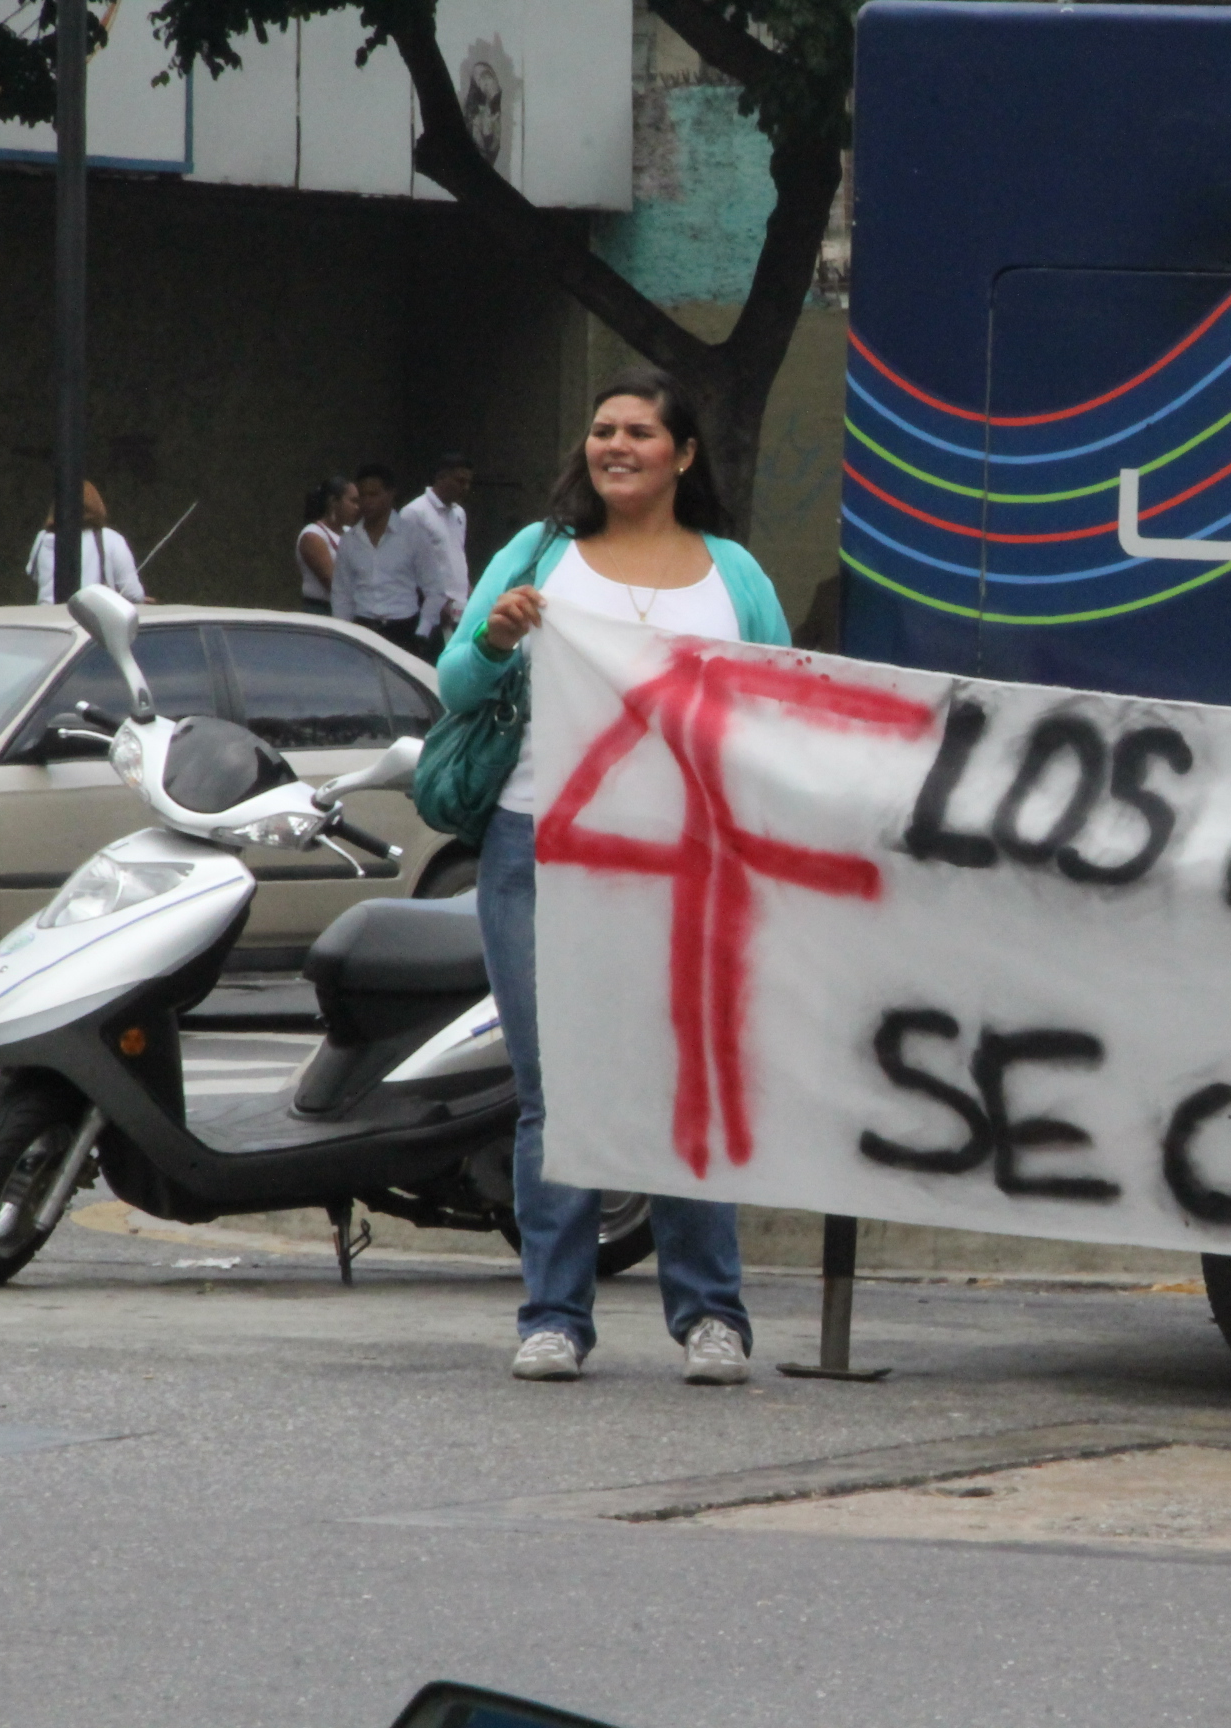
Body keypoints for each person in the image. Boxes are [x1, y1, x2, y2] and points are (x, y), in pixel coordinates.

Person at [437, 365, 790, 1386]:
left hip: (687, 863)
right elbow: (459, 682)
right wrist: (499, 641)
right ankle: (552, 1316)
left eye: (639, 431)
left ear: (683, 454)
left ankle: (710, 1316)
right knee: (554, 1092)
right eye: (602, 430)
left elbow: (778, 707)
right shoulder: (543, 554)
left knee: (683, 1084)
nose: (615, 445)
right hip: (535, 850)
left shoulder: (735, 575)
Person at [334, 463, 431, 655]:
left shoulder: (413, 537)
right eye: (362, 495)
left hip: (403, 628)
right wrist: (341, 634)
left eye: (374, 494)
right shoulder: (349, 541)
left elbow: (434, 589)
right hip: (362, 627)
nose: (367, 502)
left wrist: (422, 631)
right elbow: (342, 594)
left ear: (390, 494)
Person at [400, 452, 474, 648]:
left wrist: (467, 589)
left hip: (459, 610)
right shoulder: (414, 513)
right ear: (441, 477)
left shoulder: (459, 513)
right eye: (460, 481)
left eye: (468, 482)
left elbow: (455, 554)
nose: (465, 488)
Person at [29, 481, 145, 605]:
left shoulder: (42, 537)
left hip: (48, 618)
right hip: (90, 619)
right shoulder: (110, 538)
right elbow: (133, 594)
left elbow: (37, 576)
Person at [297, 477, 357, 615]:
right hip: (321, 611)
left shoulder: (351, 533)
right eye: (352, 501)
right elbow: (334, 583)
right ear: (333, 502)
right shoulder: (313, 535)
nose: (357, 507)